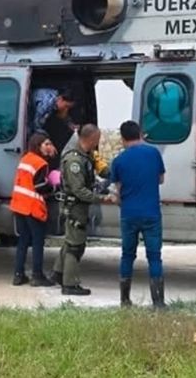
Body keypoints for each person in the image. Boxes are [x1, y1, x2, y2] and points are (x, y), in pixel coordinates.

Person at [51, 124, 114, 295]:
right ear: (91, 138)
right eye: (98, 138)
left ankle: (58, 274)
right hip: (74, 206)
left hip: (78, 206)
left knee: (70, 240)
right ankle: (70, 285)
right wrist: (101, 198)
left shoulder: (86, 155)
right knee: (75, 246)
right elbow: (79, 190)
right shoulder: (74, 161)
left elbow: (101, 170)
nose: (99, 142)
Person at [111, 120, 167, 308]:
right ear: (140, 134)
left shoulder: (118, 160)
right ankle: (158, 302)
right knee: (154, 256)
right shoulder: (153, 153)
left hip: (129, 214)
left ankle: (124, 300)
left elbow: (118, 191)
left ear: (122, 137)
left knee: (127, 255)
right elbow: (161, 179)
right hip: (151, 213)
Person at [9, 132, 57, 287]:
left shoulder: (25, 159)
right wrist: (54, 187)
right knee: (37, 242)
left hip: (19, 205)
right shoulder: (40, 164)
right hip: (32, 207)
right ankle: (37, 275)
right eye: (47, 144)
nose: (49, 147)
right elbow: (40, 186)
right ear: (39, 146)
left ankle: (18, 275)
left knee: (23, 240)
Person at [38, 88, 77, 171]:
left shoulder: (57, 103)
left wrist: (70, 125)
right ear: (60, 99)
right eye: (66, 106)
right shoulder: (44, 104)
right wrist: (48, 144)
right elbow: (37, 128)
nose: (66, 110)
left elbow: (64, 117)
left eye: (69, 108)